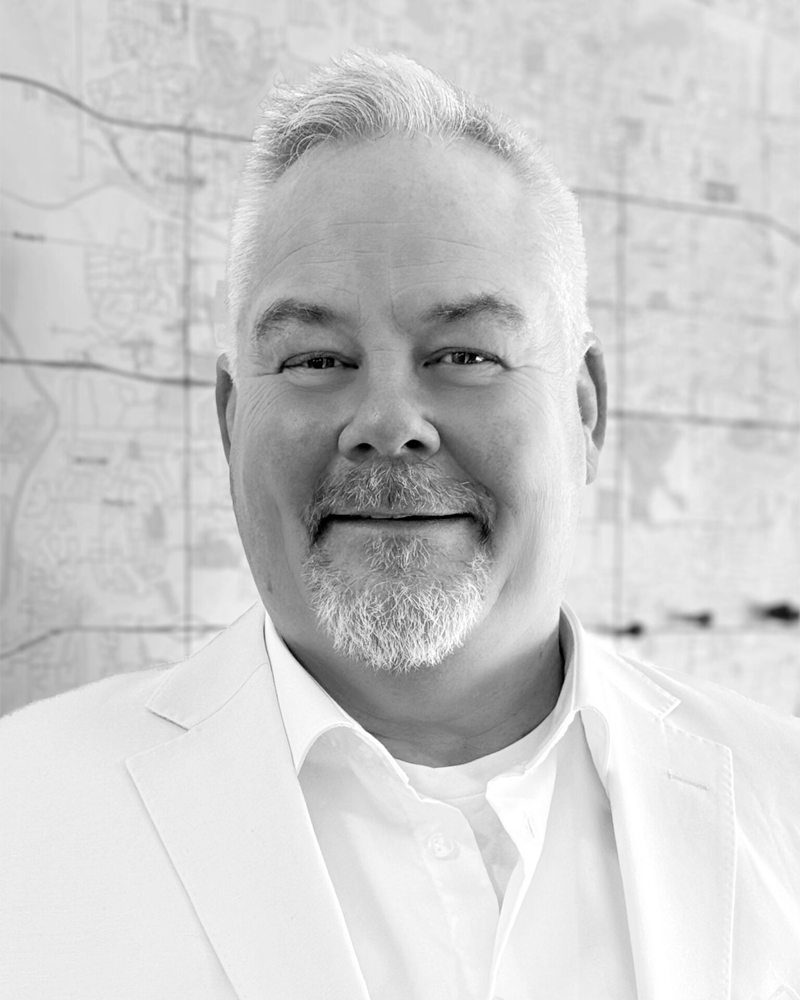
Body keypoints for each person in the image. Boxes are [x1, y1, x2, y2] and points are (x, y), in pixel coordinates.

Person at [1, 49, 799, 1000]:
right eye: (312, 360)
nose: (387, 423)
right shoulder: (23, 814)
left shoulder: (781, 797)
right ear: (229, 418)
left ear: (584, 411)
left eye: (464, 352)